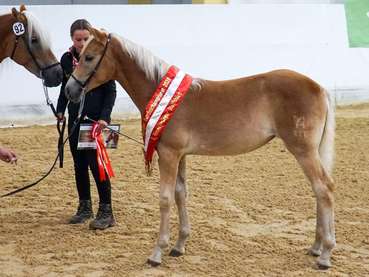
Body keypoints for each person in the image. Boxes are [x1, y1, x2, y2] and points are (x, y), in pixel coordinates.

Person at [57, 19, 117, 230]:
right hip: (75, 120)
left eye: (85, 38)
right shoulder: (66, 59)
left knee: (96, 164)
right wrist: (60, 110)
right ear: (71, 38)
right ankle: (85, 207)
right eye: (78, 39)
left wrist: (105, 118)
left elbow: (111, 91)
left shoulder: (99, 58)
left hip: (94, 122)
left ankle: (106, 211)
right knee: (79, 164)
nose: (82, 43)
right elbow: (66, 87)